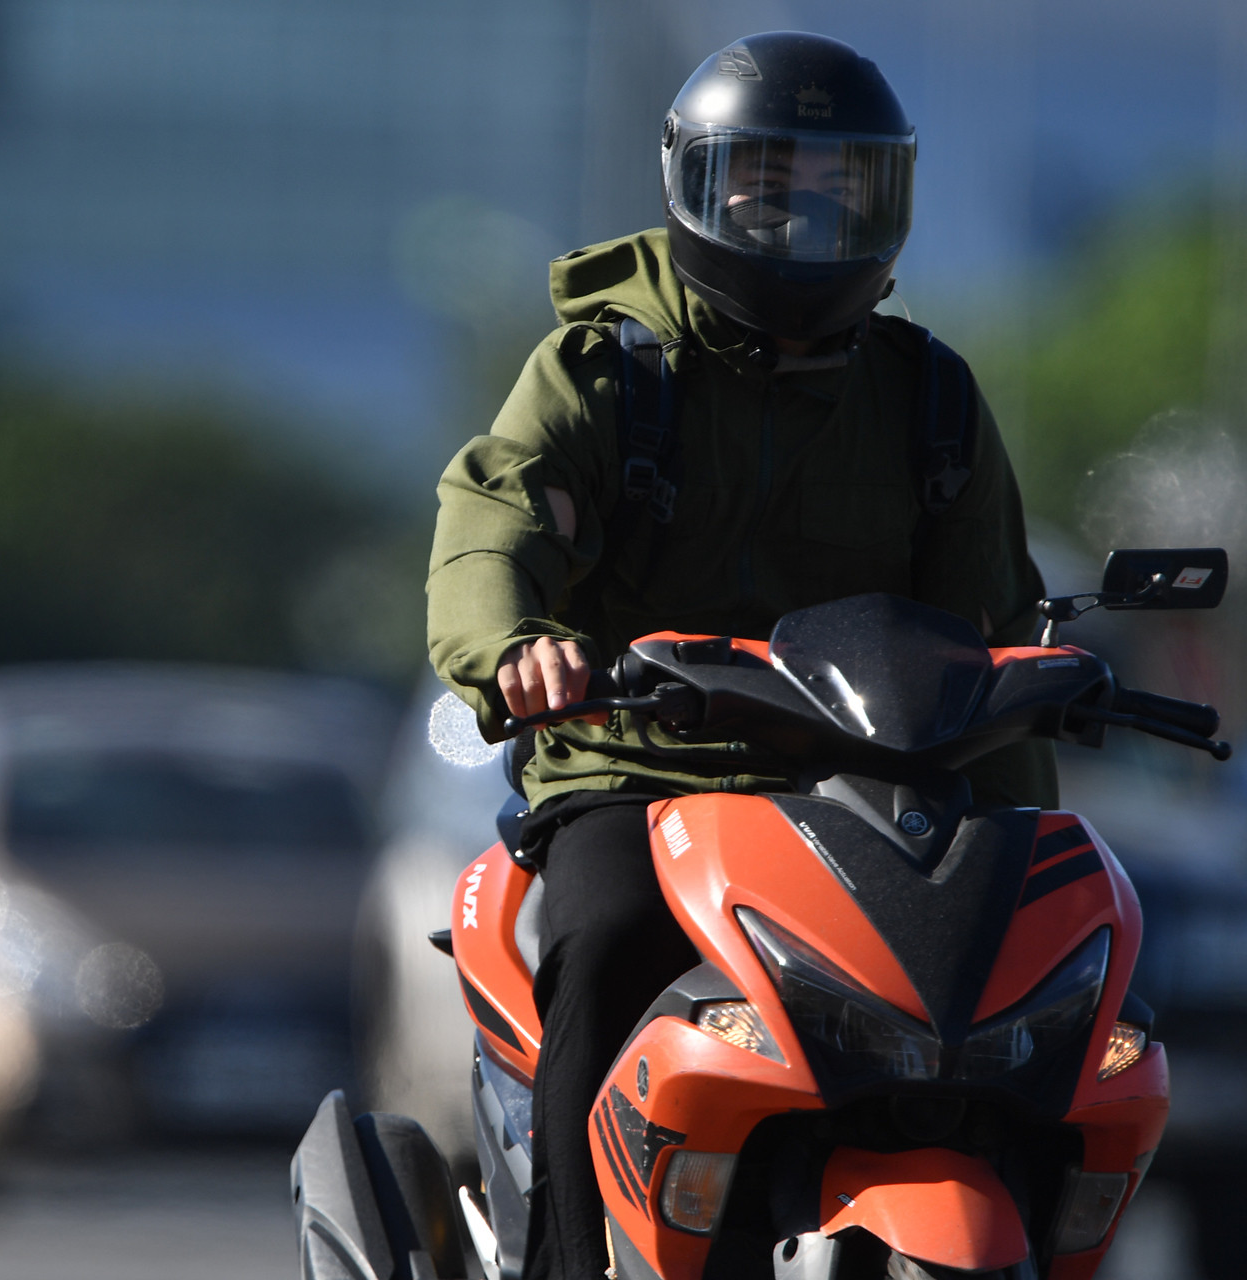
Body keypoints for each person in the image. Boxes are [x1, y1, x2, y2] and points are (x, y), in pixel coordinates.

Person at [426, 31, 1056, 1280]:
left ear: (890, 201)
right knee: (609, 935)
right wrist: (517, 645)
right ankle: (568, 1258)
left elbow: (992, 634)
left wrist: (1024, 832)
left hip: (869, 789)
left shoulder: (932, 400)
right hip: (635, 769)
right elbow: (491, 520)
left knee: (1038, 991)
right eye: (765, 185)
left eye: (839, 188)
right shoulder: (603, 371)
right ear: (693, 186)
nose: (802, 218)